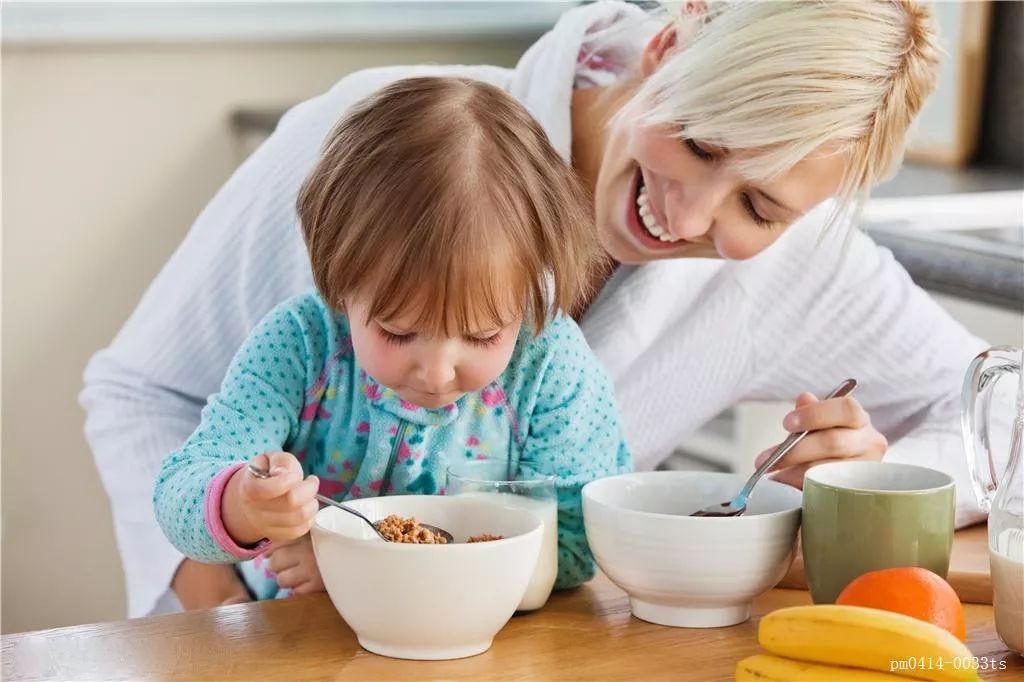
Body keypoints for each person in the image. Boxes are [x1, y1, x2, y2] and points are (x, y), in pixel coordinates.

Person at [82, 0, 985, 617]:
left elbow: (1000, 408)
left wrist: (875, 477)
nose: (689, 216)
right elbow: (140, 391)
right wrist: (233, 609)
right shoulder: (367, 139)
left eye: (761, 206)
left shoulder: (804, 265)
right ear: (670, 45)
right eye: (703, 142)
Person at [152, 76, 630, 600]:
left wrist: (358, 556)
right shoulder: (302, 346)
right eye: (398, 332)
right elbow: (182, 488)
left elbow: (579, 541)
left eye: (483, 334)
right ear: (339, 281)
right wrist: (243, 504)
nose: (437, 371)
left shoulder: (546, 363)